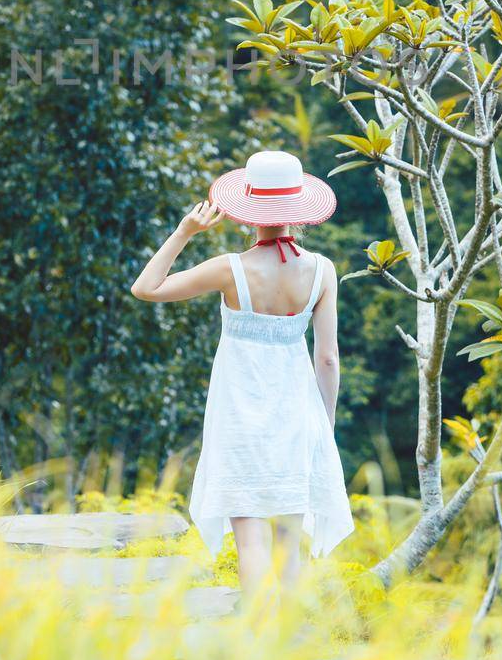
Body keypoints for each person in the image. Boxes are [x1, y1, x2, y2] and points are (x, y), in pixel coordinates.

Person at [131, 149, 354, 601]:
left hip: (239, 414)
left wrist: (184, 232)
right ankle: (287, 641)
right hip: (296, 414)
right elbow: (327, 358)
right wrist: (323, 426)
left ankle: (257, 632)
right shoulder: (323, 271)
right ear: (299, 211)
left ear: (248, 209)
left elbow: (146, 288)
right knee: (290, 540)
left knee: (251, 538)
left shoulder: (229, 270)